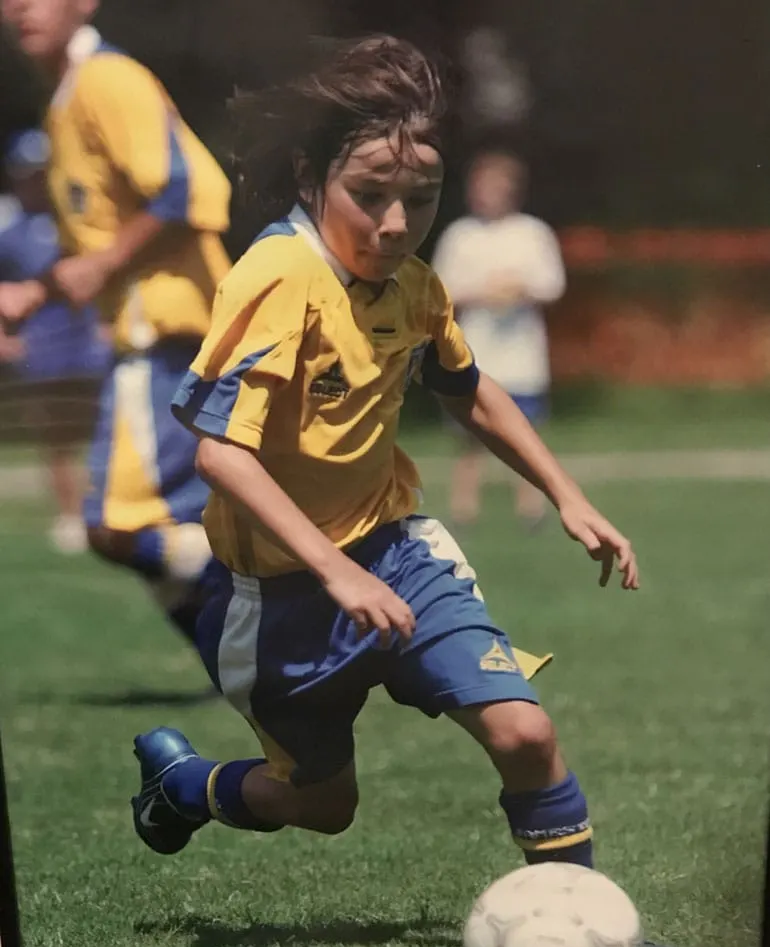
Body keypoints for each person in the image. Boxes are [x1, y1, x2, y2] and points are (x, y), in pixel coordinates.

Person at [127, 35, 638, 869]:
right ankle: (185, 785)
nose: (397, 224)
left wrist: (565, 493)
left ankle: (579, 913)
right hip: (282, 598)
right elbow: (221, 455)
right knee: (324, 806)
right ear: (308, 177)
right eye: (369, 196)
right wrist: (336, 572)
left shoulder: (414, 286)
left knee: (525, 729)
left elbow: (466, 385)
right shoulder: (281, 278)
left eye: (423, 198)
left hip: (400, 555)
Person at [0, 0, 233, 667]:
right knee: (172, 537)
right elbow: (101, 240)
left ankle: (278, 577)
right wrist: (38, 289)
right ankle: (254, 677)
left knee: (113, 526)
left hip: (165, 339)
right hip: (157, 342)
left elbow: (188, 192)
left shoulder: (108, 81)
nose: (21, 8)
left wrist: (101, 263)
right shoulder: (66, 100)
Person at [431, 151, 566, 528]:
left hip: (522, 354)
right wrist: (483, 291)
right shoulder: (460, 236)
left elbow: (552, 284)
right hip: (476, 352)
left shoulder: (533, 233)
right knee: (469, 436)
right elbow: (441, 290)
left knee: (525, 434)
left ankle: (531, 507)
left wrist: (519, 287)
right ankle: (464, 508)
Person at [0, 127, 109, 554]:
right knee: (56, 435)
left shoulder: (76, 220)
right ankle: (69, 516)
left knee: (103, 428)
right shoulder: (9, 229)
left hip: (87, 341)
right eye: (29, 173)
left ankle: (105, 511)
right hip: (41, 348)